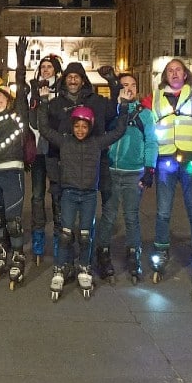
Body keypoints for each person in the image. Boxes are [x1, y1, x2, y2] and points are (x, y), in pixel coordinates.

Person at [36, 100, 129, 301]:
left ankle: (84, 266)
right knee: (65, 234)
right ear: (72, 126)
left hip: (88, 195)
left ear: (90, 127)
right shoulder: (64, 141)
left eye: (84, 126)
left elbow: (118, 132)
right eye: (77, 126)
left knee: (86, 234)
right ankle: (60, 268)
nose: (80, 130)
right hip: (69, 193)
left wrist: (124, 107)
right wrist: (43, 103)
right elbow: (44, 129)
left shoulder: (96, 142)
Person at [140, 58, 192, 282]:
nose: (174, 74)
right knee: (163, 210)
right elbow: (132, 108)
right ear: (165, 76)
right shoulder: (153, 98)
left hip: (190, 160)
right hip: (164, 160)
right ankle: (162, 249)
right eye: (170, 71)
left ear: (185, 75)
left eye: (178, 70)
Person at [42, 62, 115, 261]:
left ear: (83, 80)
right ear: (64, 79)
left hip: (92, 162)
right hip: (61, 164)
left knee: (88, 220)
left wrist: (112, 83)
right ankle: (63, 259)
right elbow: (44, 128)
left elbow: (112, 113)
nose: (73, 80)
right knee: (62, 218)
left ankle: (91, 257)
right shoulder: (55, 103)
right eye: (69, 76)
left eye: (77, 77)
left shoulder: (96, 101)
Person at [94, 72, 157, 282]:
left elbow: (151, 141)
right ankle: (102, 252)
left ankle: (133, 254)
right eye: (123, 85)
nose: (128, 89)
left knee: (131, 216)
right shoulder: (112, 112)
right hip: (112, 170)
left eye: (132, 85)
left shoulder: (145, 114)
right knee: (108, 215)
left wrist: (150, 168)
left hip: (133, 173)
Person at [0, 38, 29, 289]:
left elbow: (21, 92)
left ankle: (18, 253)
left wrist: (20, 65)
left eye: (1, 97)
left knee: (13, 219)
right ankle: (1, 248)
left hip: (11, 170)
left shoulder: (15, 115)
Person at [27, 54, 63, 264]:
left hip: (56, 149)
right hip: (38, 149)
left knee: (57, 193)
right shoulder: (35, 89)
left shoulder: (61, 90)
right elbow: (31, 118)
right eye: (43, 67)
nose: (45, 70)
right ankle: (38, 235)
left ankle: (59, 235)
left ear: (56, 70)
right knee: (37, 195)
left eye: (49, 67)